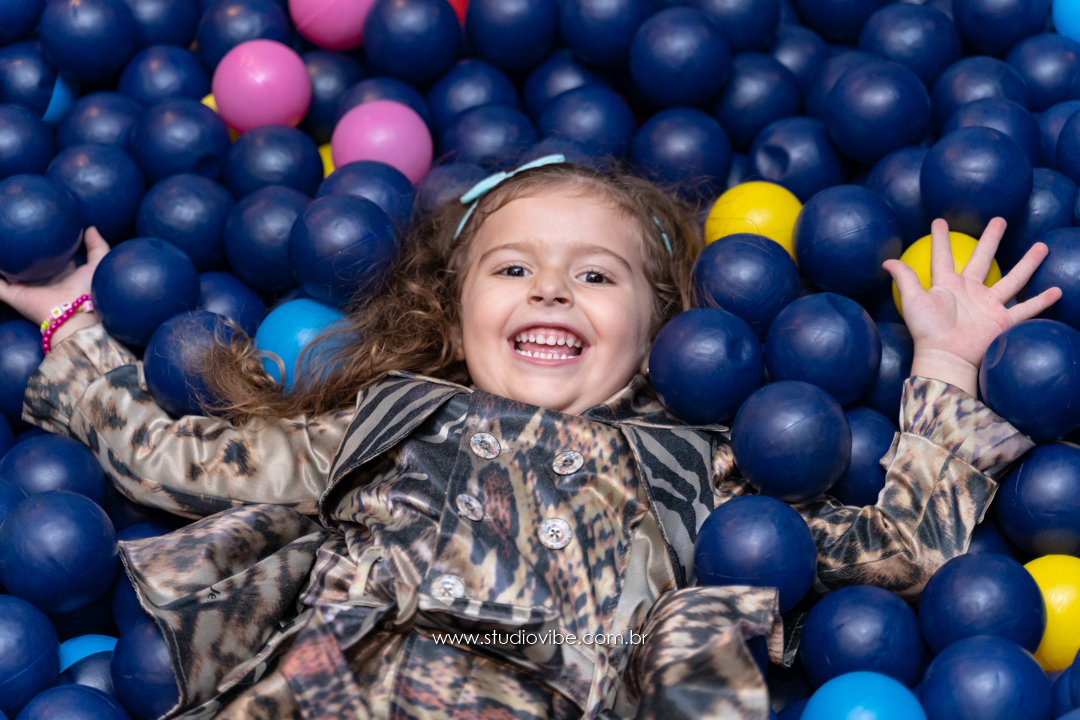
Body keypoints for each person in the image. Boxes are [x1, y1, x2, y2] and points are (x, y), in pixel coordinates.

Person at [0, 157, 1058, 720]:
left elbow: (899, 553)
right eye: (513, 268)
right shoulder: (386, 423)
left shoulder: (696, 469)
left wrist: (946, 360)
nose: (551, 286)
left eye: (596, 274)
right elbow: (172, 461)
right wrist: (73, 326)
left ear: (659, 335)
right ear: (455, 313)